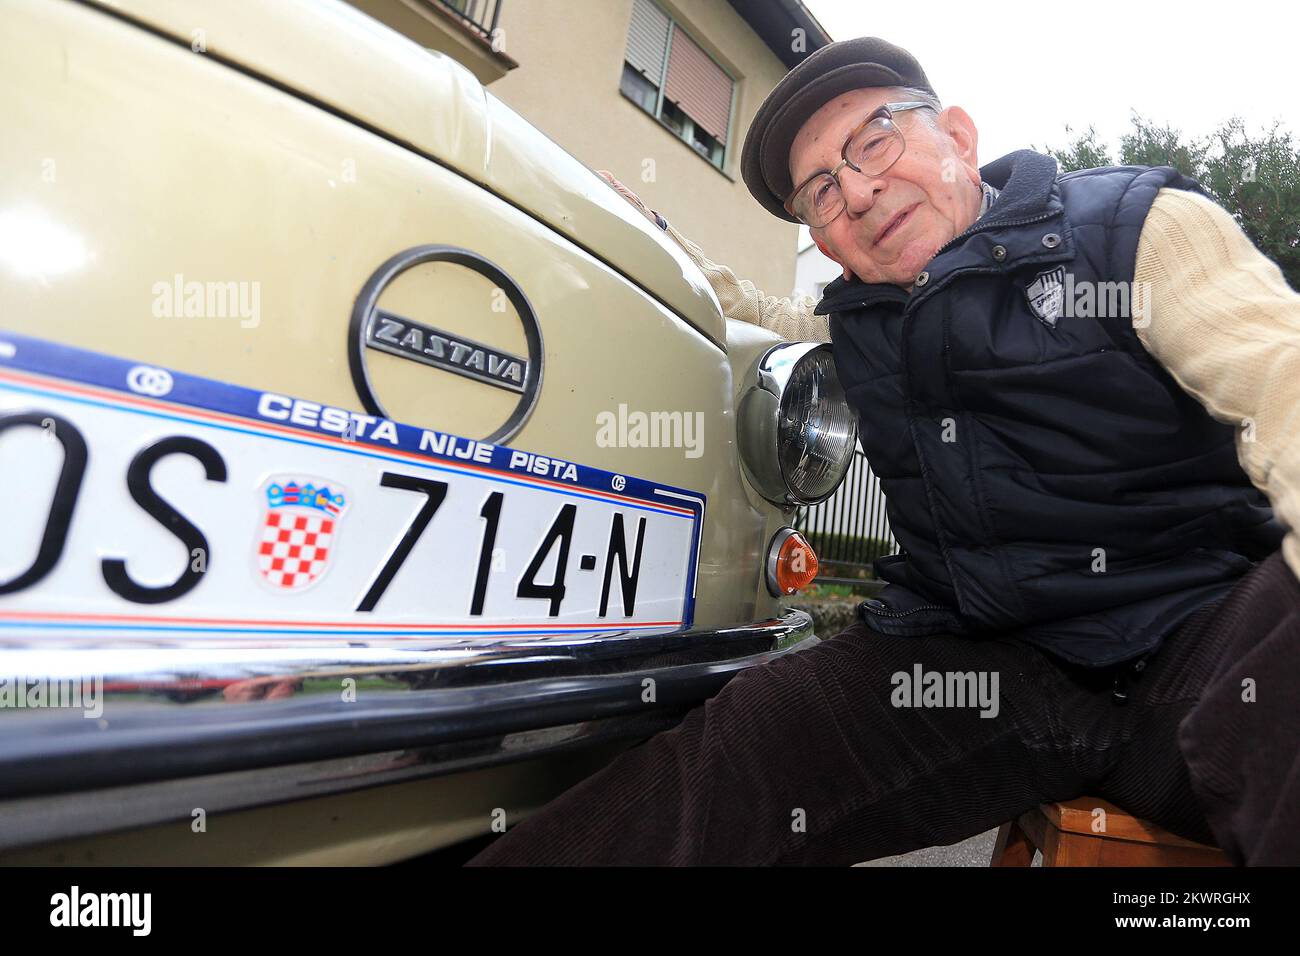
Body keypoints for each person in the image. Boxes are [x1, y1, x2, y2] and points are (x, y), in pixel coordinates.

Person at [468, 37, 1300, 866]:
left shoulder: (1134, 231)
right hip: (981, 667)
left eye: (875, 139)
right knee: (738, 750)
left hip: (1201, 643)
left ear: (961, 139)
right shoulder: (856, 323)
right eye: (820, 192)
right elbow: (748, 311)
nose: (859, 192)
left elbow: (1281, 379)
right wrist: (646, 233)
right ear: (821, 238)